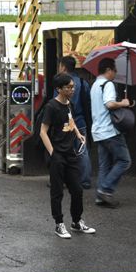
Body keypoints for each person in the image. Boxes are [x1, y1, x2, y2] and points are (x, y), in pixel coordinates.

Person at [39, 72, 96, 239]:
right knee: (57, 192)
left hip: (70, 154)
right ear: (59, 89)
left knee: (77, 190)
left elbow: (71, 121)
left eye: (73, 87)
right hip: (57, 155)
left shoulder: (69, 104)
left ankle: (76, 222)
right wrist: (52, 153)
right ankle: (59, 224)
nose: (72, 90)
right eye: (68, 87)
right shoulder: (51, 107)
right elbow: (43, 132)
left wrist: (78, 134)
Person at [90, 57, 134, 208]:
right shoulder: (107, 84)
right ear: (108, 70)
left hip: (97, 131)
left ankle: (100, 197)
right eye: (114, 70)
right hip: (109, 131)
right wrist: (124, 103)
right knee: (124, 161)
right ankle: (105, 190)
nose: (115, 73)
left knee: (105, 165)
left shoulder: (95, 85)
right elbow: (109, 104)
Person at [58, 56, 93, 189]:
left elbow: (55, 103)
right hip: (80, 121)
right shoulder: (83, 83)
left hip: (65, 123)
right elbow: (88, 104)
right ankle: (85, 181)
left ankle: (63, 180)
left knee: (63, 151)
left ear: (64, 67)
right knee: (82, 151)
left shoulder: (60, 84)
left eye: (60, 66)